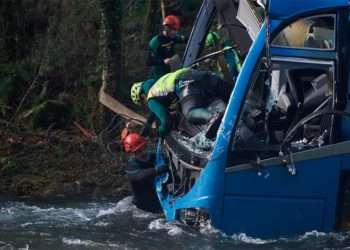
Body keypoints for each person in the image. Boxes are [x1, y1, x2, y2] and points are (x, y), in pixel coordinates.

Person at [130, 67, 232, 138]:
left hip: (185, 83)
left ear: (143, 96)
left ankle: (213, 118)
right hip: (196, 74)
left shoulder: (151, 98)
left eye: (143, 102)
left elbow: (166, 121)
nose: (146, 104)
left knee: (190, 112)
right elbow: (155, 112)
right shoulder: (158, 83)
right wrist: (148, 124)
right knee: (230, 96)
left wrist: (158, 133)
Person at [122, 132, 168, 212]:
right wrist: (158, 170)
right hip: (143, 207)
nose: (143, 152)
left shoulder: (154, 157)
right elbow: (140, 176)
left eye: (143, 148)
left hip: (159, 201)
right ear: (132, 153)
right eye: (138, 151)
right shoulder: (131, 166)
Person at [147, 15, 186, 80]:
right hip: (157, 77)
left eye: (176, 30)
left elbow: (185, 39)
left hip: (170, 74)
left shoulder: (173, 37)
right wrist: (163, 61)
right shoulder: (156, 41)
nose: (175, 32)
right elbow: (149, 61)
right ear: (166, 28)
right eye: (173, 30)